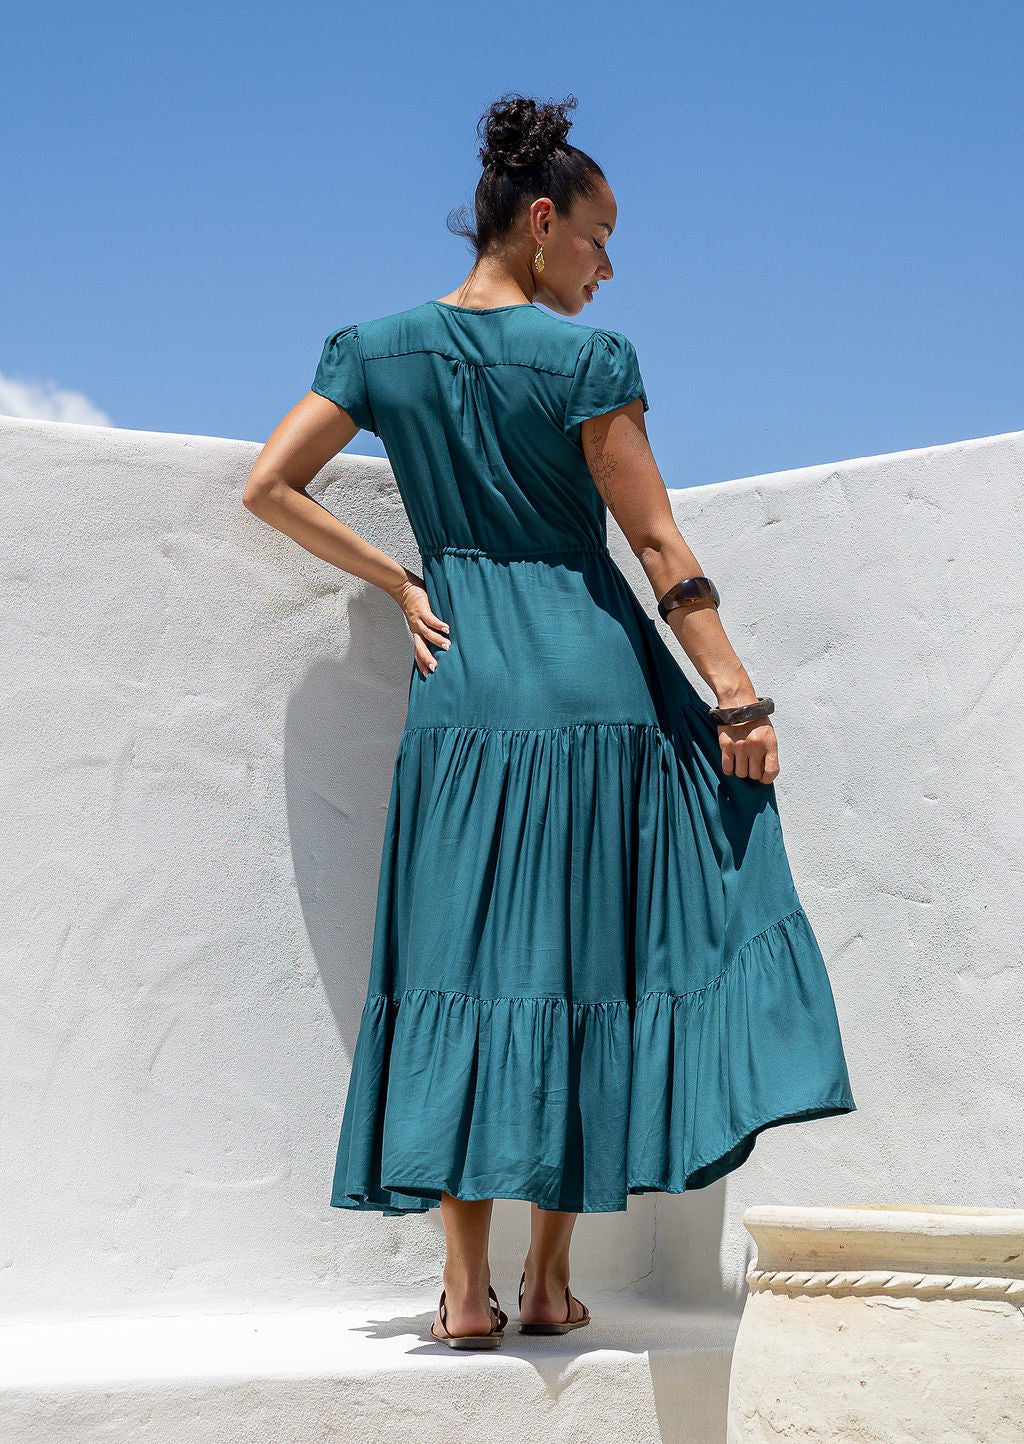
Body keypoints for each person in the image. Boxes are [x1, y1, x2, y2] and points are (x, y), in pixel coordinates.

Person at [243, 91, 857, 1349]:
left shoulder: (374, 347)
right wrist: (737, 695)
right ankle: (547, 1283)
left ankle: (464, 1291)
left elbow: (268, 485)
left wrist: (400, 578)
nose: (606, 266)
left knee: (456, 966)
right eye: (597, 237)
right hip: (591, 686)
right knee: (580, 968)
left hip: (461, 688)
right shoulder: (589, 363)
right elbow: (656, 545)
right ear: (538, 222)